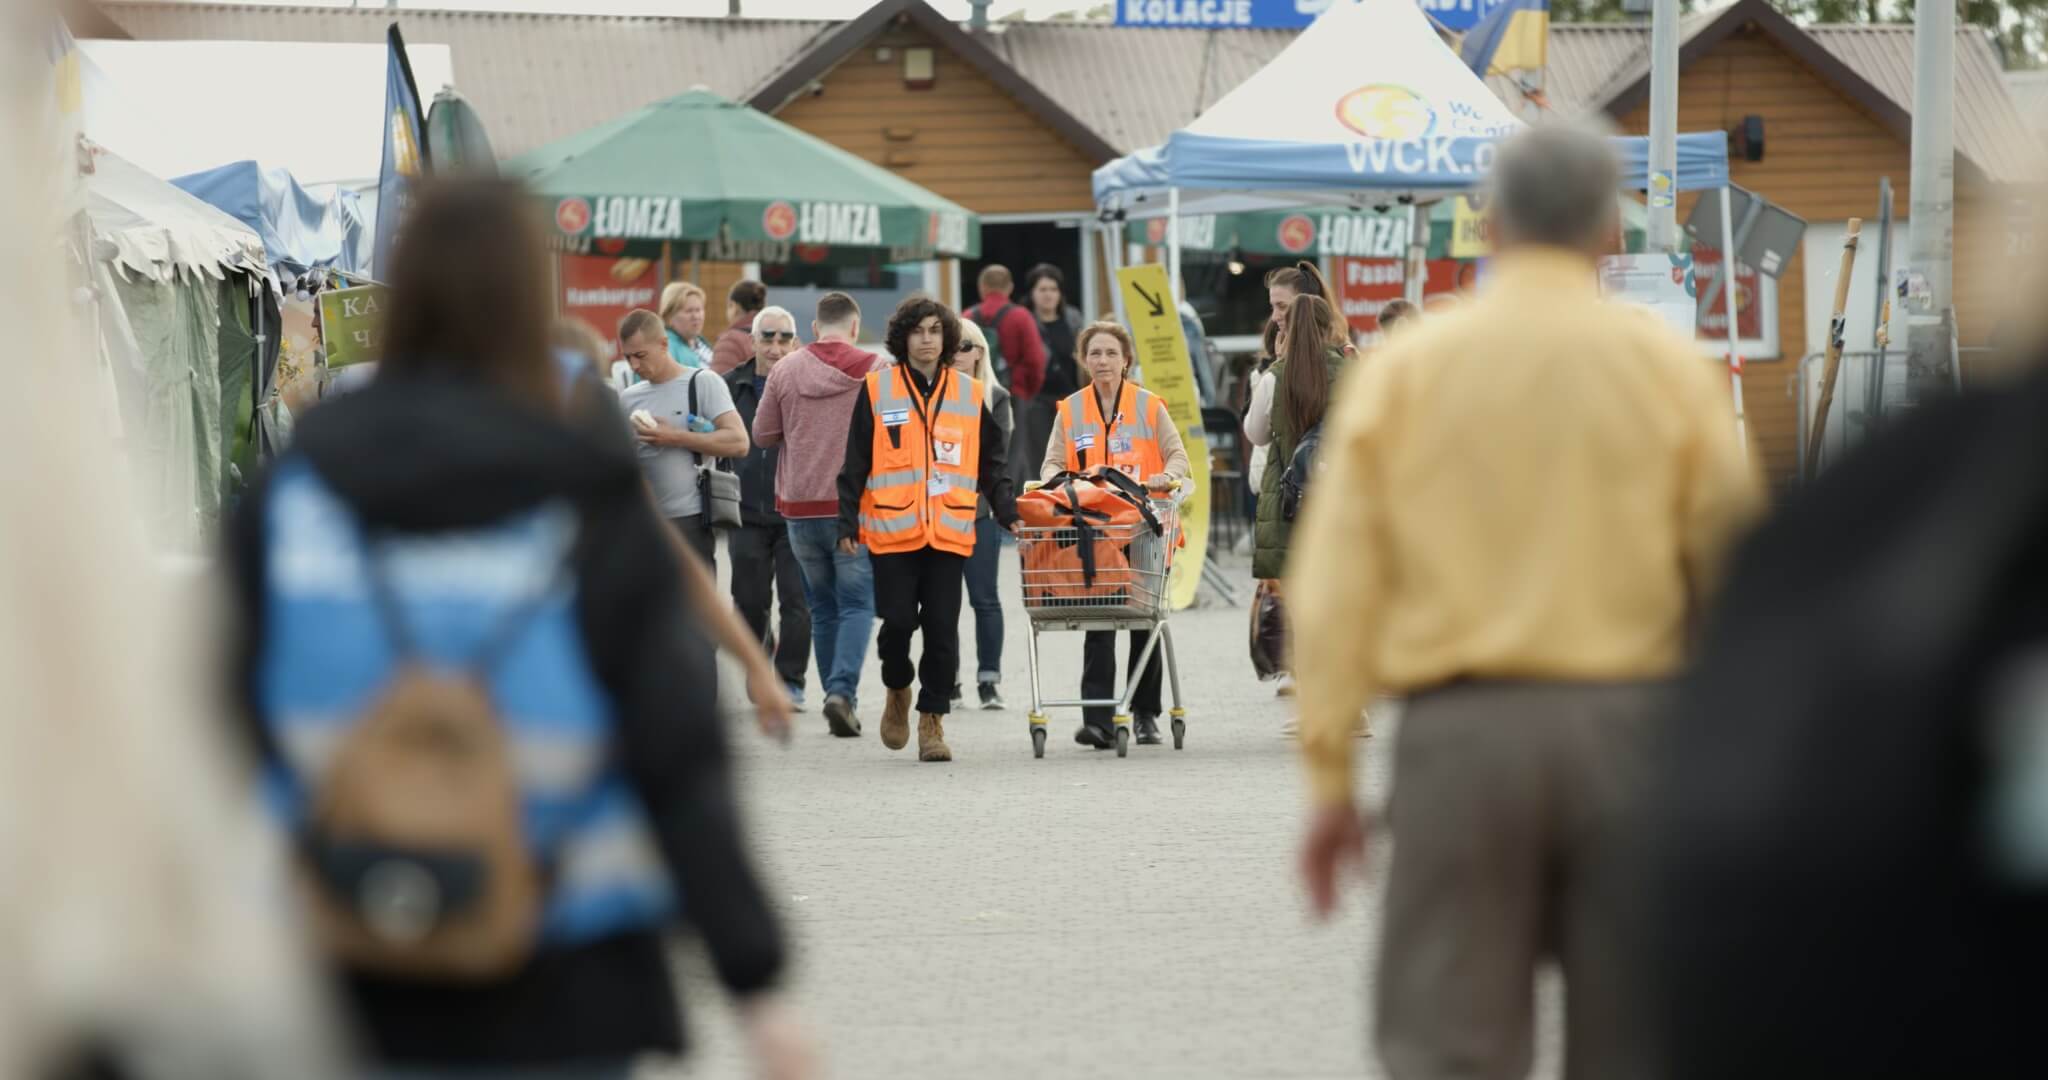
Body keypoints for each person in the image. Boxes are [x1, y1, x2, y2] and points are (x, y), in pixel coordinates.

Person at [226, 178, 814, 1079]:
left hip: (337, 955)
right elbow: (675, 747)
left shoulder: (294, 492)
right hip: (568, 964)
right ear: (526, 301)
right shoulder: (583, 486)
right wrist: (753, 980)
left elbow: (219, 719)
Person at [1289, 125, 1762, 1080]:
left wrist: (1334, 773)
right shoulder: (1671, 371)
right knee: (1639, 1042)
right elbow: (1738, 574)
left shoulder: (1409, 371)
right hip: (1639, 733)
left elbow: (1333, 583)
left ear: (1491, 226)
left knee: (1447, 1048)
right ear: (1604, 233)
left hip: (1460, 738)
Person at [839, 296, 1018, 762]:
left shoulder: (967, 393)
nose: (926, 339)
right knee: (897, 622)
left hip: (949, 530)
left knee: (942, 628)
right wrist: (846, 522)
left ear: (947, 339)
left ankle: (932, 718)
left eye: (936, 331)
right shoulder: (877, 389)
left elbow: (991, 462)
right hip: (892, 529)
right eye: (918, 331)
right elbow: (855, 461)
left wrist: (1006, 509)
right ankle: (898, 687)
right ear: (903, 338)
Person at [1039, 321, 1192, 749]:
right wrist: (1058, 484)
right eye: (1094, 353)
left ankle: (1145, 716)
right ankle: (1099, 720)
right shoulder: (1070, 409)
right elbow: (1050, 464)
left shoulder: (1148, 406)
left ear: (1126, 359)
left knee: (1143, 622)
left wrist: (1166, 476)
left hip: (1143, 526)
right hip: (1093, 530)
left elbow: (1178, 455)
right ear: (1083, 360)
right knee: (1099, 620)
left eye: (1110, 353)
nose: (1102, 361)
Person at [755, 292, 884, 738]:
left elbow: (763, 435)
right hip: (852, 508)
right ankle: (842, 693)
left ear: (813, 328)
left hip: (798, 507)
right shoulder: (876, 370)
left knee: (822, 606)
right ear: (854, 325)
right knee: (856, 604)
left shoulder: (785, 368)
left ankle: (835, 694)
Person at [726, 305, 811, 712]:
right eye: (768, 337)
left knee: (797, 602)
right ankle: (762, 670)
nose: (776, 346)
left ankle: (791, 680)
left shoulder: (809, 384)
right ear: (754, 341)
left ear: (795, 341)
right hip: (745, 510)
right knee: (748, 601)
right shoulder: (729, 385)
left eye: (783, 337)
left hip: (796, 510)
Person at [618, 307, 749, 571]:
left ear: (664, 344)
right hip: (645, 522)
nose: (634, 365)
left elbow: (739, 442)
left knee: (696, 609)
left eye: (641, 355)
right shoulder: (629, 397)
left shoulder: (703, 382)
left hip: (690, 518)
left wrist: (674, 437)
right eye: (628, 357)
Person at [952, 317, 1013, 711]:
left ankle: (988, 679)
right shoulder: (929, 394)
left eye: (966, 346)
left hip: (978, 512)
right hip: (936, 513)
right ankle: (949, 679)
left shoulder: (995, 396)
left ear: (979, 353)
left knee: (985, 599)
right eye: (953, 346)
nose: (958, 354)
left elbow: (997, 457)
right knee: (941, 602)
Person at [969, 264, 1048, 491]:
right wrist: (1026, 392)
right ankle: (1007, 502)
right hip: (1014, 393)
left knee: (977, 450)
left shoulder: (968, 317)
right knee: (1012, 453)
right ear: (1010, 287)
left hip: (974, 395)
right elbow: (1036, 361)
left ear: (982, 287)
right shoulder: (1020, 317)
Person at [1020, 264, 1083, 484]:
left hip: (1070, 400)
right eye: (1042, 289)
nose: (1048, 295)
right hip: (1036, 401)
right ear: (1032, 294)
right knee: (1038, 457)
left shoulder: (1073, 319)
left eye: (1053, 289)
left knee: (1073, 457)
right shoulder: (1024, 321)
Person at [712, 278, 768, 375]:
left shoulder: (730, 341)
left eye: (729, 306)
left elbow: (719, 384)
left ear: (734, 307)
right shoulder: (785, 336)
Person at [660, 282, 714, 368]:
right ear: (669, 316)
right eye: (689, 311)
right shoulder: (666, 349)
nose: (696, 316)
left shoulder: (699, 341)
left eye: (698, 310)